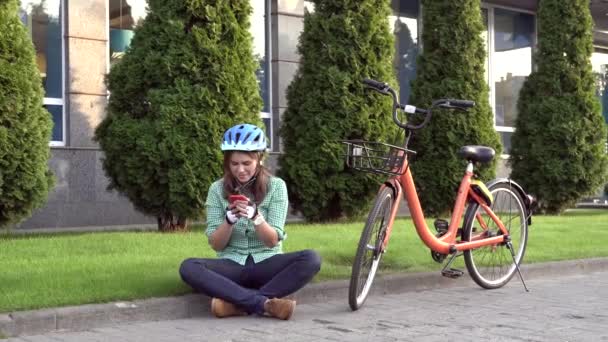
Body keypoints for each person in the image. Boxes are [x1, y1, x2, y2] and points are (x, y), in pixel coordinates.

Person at [179, 123, 321, 320]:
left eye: (247, 163)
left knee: (311, 259)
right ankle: (263, 304)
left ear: (259, 159)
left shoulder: (277, 187)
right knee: (189, 267)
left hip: (267, 262)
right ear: (227, 163)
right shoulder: (216, 189)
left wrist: (256, 217)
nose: (240, 170)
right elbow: (216, 244)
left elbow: (272, 241)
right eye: (234, 164)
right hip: (232, 264)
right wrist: (228, 221)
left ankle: (236, 304)